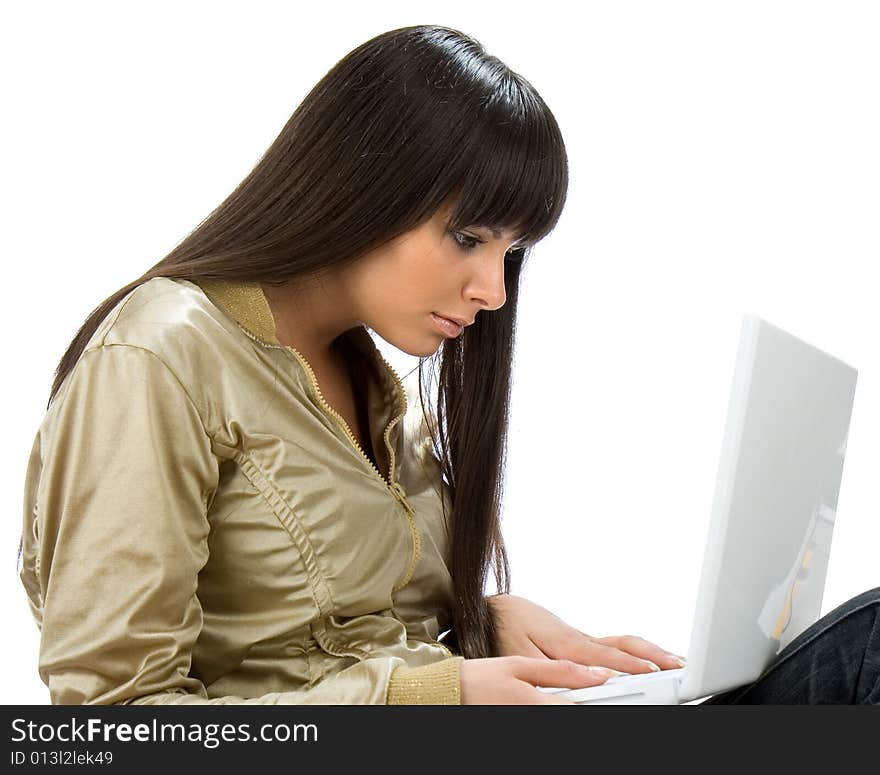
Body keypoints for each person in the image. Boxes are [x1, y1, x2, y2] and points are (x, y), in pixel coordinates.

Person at [17, 24, 879, 706]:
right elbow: (114, 725)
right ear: (358, 183)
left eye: (512, 254)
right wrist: (434, 693)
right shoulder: (162, 355)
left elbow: (342, 633)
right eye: (468, 238)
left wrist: (482, 622)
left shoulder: (373, 380)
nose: (493, 290)